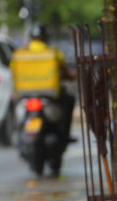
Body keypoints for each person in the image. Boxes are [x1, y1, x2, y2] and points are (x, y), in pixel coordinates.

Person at [10, 24, 77, 177]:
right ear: (45, 38)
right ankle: (65, 136)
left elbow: (12, 71)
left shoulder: (19, 54)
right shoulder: (53, 53)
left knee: (15, 111)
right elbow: (65, 72)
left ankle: (17, 131)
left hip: (25, 98)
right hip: (49, 99)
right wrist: (70, 75)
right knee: (70, 100)